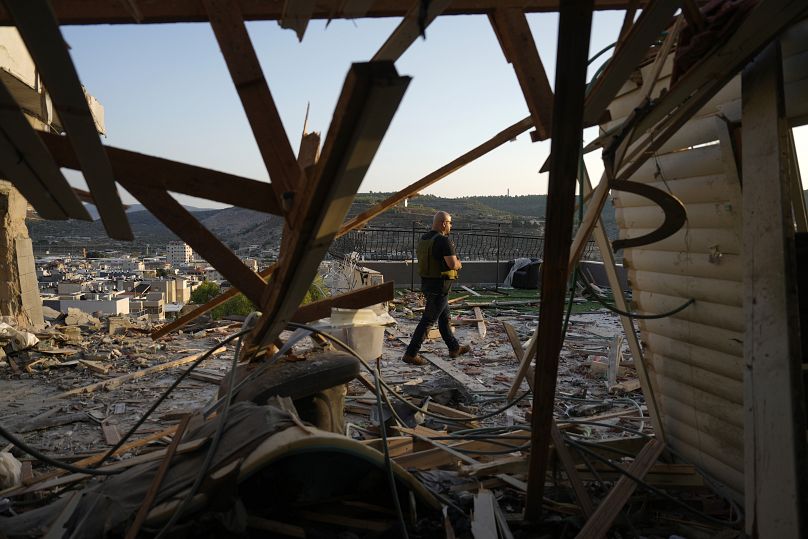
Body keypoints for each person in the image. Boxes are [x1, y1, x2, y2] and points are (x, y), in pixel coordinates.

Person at [403, 211, 471, 365]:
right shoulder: (443, 241)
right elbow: (452, 264)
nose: (451, 226)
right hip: (439, 287)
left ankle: (454, 348)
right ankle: (411, 353)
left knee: (444, 317)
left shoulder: (424, 239)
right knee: (428, 320)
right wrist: (459, 264)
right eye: (450, 223)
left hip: (427, 284)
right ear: (443, 223)